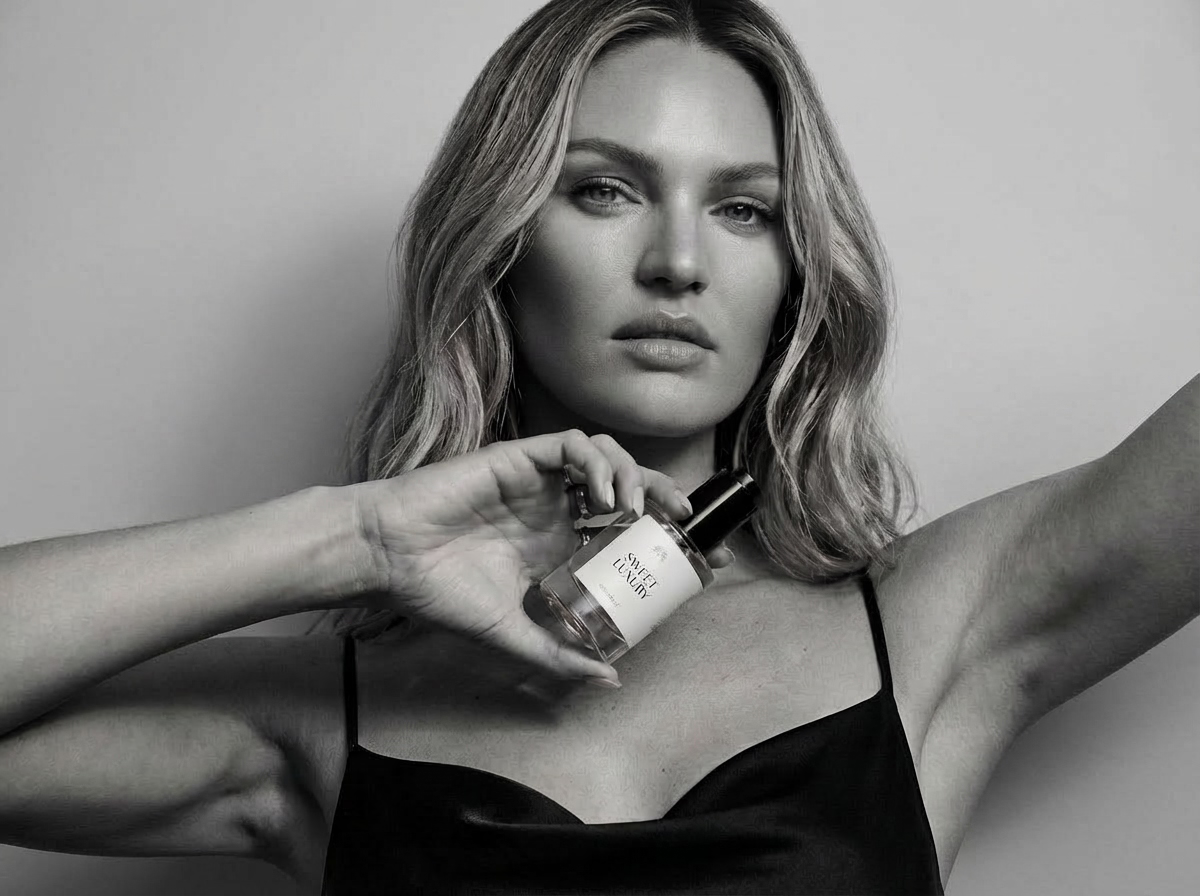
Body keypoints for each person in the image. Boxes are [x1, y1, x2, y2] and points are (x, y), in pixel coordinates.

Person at [0, 0, 1195, 893]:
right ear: (500, 242)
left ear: (793, 276)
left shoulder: (938, 624)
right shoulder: (315, 715)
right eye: (605, 191)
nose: (678, 262)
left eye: (744, 208)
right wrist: (357, 536)